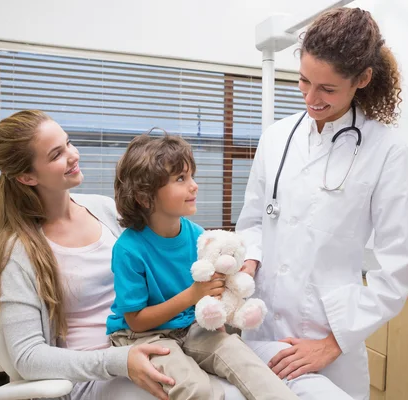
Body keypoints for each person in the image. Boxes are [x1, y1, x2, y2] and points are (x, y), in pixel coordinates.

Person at [0, 110, 242, 400]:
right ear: (26, 176)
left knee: (235, 388)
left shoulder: (104, 209)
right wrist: (119, 361)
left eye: (68, 143)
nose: (73, 155)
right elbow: (27, 357)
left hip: (158, 340)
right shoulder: (18, 251)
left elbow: (154, 270)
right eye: (57, 154)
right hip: (94, 375)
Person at [236, 7, 408, 400]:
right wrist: (249, 260)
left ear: (362, 80)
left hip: (327, 337)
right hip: (261, 326)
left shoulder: (387, 152)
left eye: (328, 89)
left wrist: (333, 344)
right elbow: (252, 221)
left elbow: (396, 271)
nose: (311, 98)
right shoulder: (276, 138)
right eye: (303, 81)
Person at [107, 133, 299, 400]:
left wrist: (214, 313)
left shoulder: (198, 236)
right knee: (196, 388)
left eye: (191, 176)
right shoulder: (129, 250)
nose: (194, 186)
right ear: (144, 196)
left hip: (188, 326)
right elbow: (136, 321)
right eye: (180, 179)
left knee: (241, 357)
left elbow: (210, 291)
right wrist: (193, 296)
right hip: (141, 336)